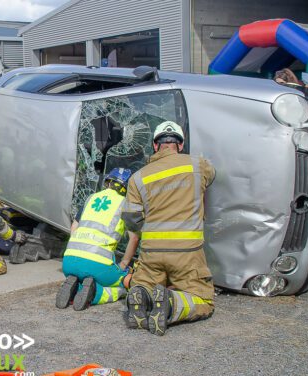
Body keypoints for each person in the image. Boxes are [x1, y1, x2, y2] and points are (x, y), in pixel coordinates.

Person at [121, 121, 216, 336]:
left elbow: (131, 218)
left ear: (156, 146)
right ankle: (171, 304)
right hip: (187, 253)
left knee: (145, 283)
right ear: (180, 145)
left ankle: (141, 296)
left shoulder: (138, 177)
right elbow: (212, 177)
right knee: (203, 299)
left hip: (152, 252)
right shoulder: (198, 165)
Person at [56, 168, 138, 311]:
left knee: (87, 276)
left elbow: (74, 228)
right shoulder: (125, 204)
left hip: (69, 261)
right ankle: (96, 294)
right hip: (97, 265)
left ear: (107, 182)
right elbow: (134, 238)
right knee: (124, 282)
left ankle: (77, 287)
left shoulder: (91, 198)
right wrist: (124, 264)